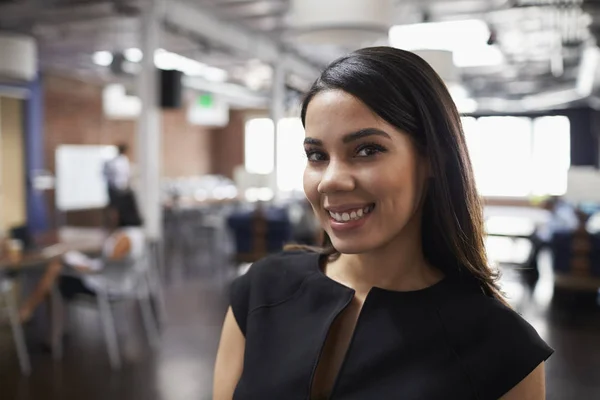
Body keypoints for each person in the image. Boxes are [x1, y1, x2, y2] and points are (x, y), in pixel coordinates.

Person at [213, 47, 553, 400]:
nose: (331, 180)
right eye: (317, 155)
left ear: (432, 158)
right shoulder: (261, 289)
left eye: (366, 150)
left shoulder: (500, 344)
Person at [103, 143, 132, 227]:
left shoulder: (119, 161)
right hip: (117, 189)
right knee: (115, 209)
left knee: (117, 209)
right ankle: (114, 225)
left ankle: (117, 225)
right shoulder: (117, 161)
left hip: (118, 188)